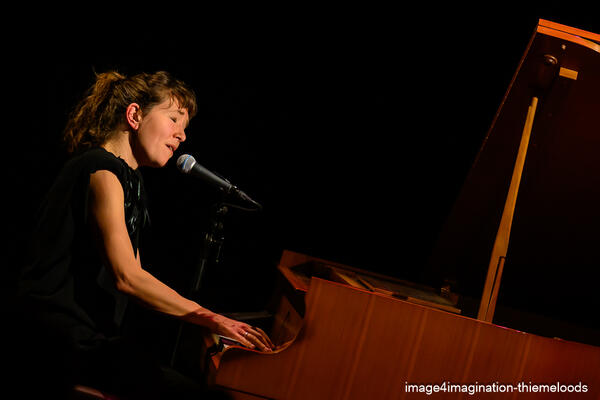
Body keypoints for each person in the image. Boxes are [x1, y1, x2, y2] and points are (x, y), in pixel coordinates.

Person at [14, 70, 273, 399]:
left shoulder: (130, 181)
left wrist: (208, 319)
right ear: (135, 115)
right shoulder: (100, 169)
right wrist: (212, 319)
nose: (181, 136)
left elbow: (136, 278)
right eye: (174, 119)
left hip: (90, 339)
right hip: (58, 340)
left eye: (185, 127)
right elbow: (128, 277)